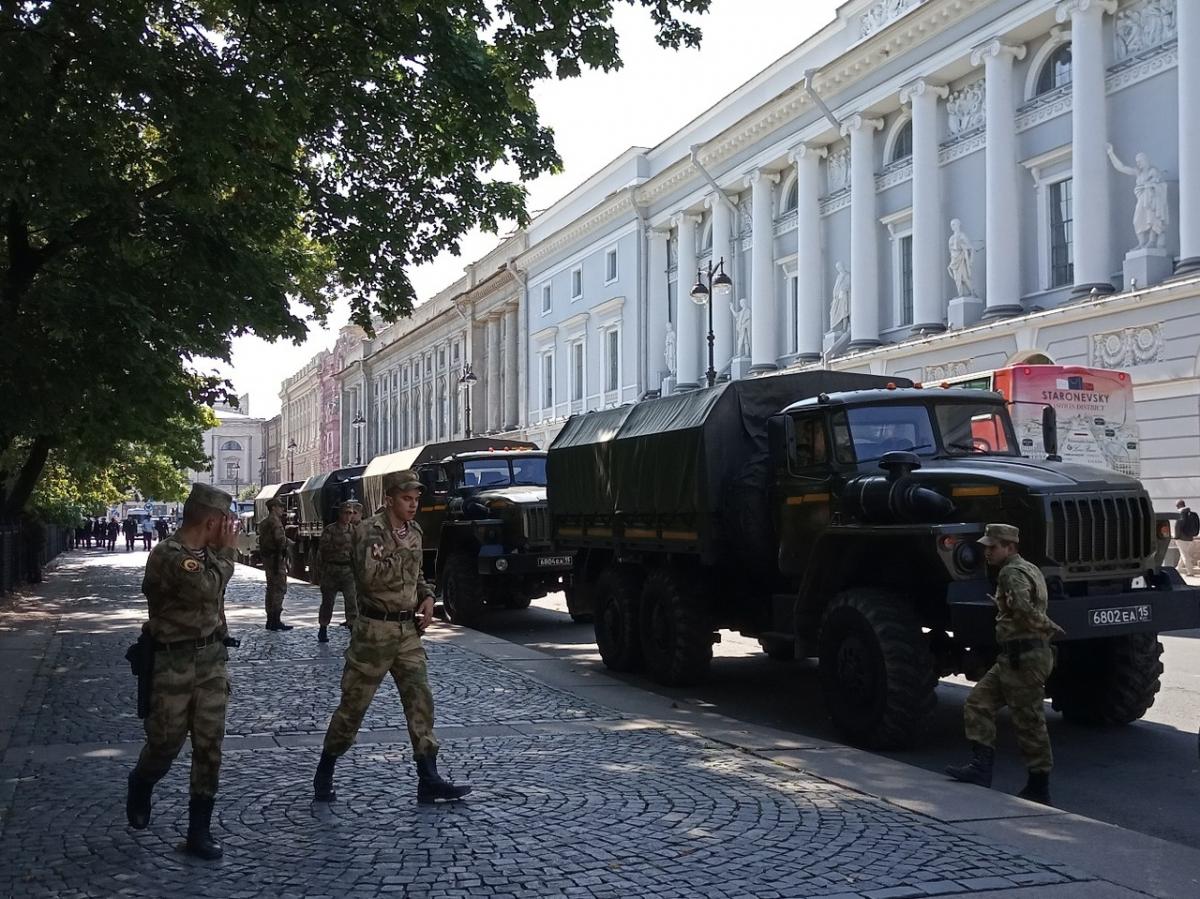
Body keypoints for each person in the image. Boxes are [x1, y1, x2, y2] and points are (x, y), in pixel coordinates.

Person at [312, 470, 470, 805]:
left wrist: (427, 596)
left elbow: (418, 574)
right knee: (353, 706)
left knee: (420, 700)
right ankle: (325, 769)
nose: (413, 506)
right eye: (406, 499)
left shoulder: (414, 531)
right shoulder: (369, 531)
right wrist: (396, 550)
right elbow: (370, 580)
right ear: (389, 499)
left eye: (416, 500)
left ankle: (428, 778)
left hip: (407, 633)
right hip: (374, 632)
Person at [124, 483, 239, 860]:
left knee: (209, 748)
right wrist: (228, 553)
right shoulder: (170, 555)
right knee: (165, 743)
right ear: (211, 521)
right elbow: (205, 590)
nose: (230, 527)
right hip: (172, 664)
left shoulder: (204, 553)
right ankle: (141, 782)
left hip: (210, 663)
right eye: (226, 521)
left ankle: (198, 831)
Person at [946, 523, 1064, 805]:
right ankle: (980, 768)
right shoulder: (1030, 568)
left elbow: (1025, 609)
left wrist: (1047, 627)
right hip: (1013, 657)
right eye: (987, 546)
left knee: (1029, 722)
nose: (987, 551)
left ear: (1009, 547)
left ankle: (1039, 786)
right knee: (978, 702)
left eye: (993, 546)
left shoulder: (1011, 573)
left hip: (1024, 657)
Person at [317, 500, 361, 642]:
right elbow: (322, 551)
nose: (348, 516)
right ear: (340, 514)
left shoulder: (354, 531)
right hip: (332, 571)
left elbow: (358, 550)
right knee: (328, 602)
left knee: (351, 601)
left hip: (348, 570)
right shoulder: (330, 530)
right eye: (346, 513)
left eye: (351, 513)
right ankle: (323, 628)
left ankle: (353, 627)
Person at [258, 498, 292, 631]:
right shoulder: (275, 522)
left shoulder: (264, 522)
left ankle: (270, 620)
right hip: (276, 559)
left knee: (271, 588)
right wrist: (288, 545)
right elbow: (280, 541)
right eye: (280, 507)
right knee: (279, 588)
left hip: (268, 558)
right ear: (273, 508)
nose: (282, 509)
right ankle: (275, 620)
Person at [1175, 499, 1199, 577]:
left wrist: (1176, 536)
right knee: (1183, 553)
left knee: (1185, 555)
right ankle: (1178, 569)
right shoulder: (1191, 514)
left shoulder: (1181, 513)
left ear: (1178, 505)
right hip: (1190, 538)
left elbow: (1178, 526)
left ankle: (1190, 572)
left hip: (1182, 538)